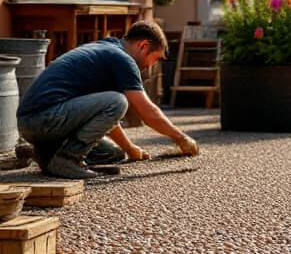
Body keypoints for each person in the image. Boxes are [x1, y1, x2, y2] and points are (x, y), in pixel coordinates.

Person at [17, 20, 199, 180]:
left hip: (33, 122)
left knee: (112, 153)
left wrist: (130, 149)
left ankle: (46, 157)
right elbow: (147, 112)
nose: (151, 66)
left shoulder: (107, 49)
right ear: (144, 45)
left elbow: (106, 117)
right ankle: (67, 159)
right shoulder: (123, 60)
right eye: (156, 59)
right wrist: (181, 138)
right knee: (118, 101)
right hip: (42, 119)